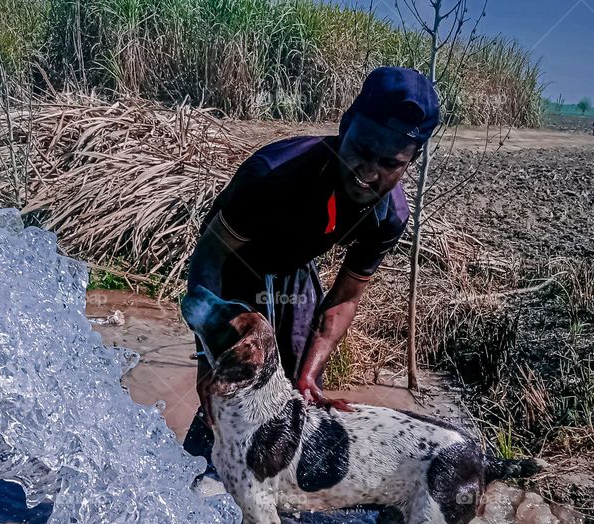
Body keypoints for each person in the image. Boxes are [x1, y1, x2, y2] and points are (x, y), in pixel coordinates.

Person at [183, 66, 440, 475]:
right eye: (360, 148)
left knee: (289, 394)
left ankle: (275, 496)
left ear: (411, 161)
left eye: (389, 162)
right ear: (344, 126)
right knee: (231, 388)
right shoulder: (271, 173)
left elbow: (343, 301)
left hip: (295, 269)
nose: (367, 172)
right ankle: (194, 478)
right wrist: (205, 357)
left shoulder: (390, 216)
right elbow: (210, 257)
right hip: (236, 265)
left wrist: (311, 374)